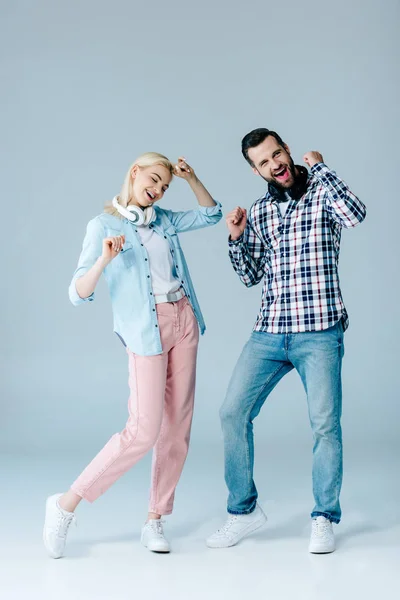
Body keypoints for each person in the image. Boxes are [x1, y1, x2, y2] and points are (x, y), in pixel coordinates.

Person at [43, 153, 222, 558]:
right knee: (143, 429)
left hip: (184, 318)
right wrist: (105, 259)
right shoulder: (102, 225)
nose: (157, 190)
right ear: (134, 173)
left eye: (164, 186)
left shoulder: (163, 220)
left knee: (177, 427)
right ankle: (65, 504)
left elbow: (212, 215)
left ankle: (155, 519)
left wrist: (191, 179)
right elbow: (77, 292)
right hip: (147, 329)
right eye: (154, 180)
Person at [206, 128, 366, 553]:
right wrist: (237, 236)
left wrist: (320, 167)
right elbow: (248, 275)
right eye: (263, 162)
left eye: (276, 154)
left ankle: (324, 518)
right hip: (270, 332)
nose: (274, 164)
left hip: (319, 332)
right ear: (255, 169)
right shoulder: (259, 211)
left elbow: (355, 215)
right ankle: (243, 512)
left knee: (324, 426)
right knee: (231, 414)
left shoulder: (322, 193)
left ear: (287, 151)